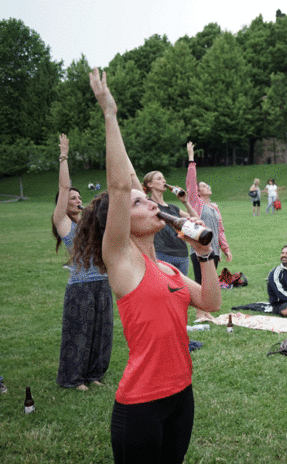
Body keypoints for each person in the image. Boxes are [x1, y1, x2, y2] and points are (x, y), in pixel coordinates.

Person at [81, 68, 221, 464]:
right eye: (142, 203)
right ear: (122, 219)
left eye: (151, 199)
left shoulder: (170, 271)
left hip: (182, 395)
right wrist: (110, 114)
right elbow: (121, 186)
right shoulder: (122, 260)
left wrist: (205, 255)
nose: (154, 205)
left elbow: (211, 303)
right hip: (141, 403)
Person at [52, 133, 113, 392]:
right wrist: (64, 156)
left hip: (102, 282)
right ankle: (74, 378)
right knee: (79, 332)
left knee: (101, 331)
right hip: (81, 286)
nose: (77, 200)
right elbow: (64, 187)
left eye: (79, 198)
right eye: (72, 198)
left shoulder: (90, 223)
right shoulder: (62, 222)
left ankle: (94, 373)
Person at [186, 141, 232, 320]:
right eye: (204, 186)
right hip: (199, 249)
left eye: (207, 186)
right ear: (198, 192)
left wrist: (225, 249)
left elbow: (219, 230)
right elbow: (190, 182)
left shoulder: (214, 207)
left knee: (210, 283)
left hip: (214, 250)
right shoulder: (196, 204)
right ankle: (199, 313)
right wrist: (191, 159)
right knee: (200, 281)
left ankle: (206, 312)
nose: (208, 187)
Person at [141, 170, 198, 276]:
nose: (164, 181)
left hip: (182, 254)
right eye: (159, 179)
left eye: (163, 178)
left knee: (181, 290)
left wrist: (185, 202)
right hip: (161, 254)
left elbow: (196, 220)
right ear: (150, 184)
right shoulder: (149, 205)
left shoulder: (173, 208)